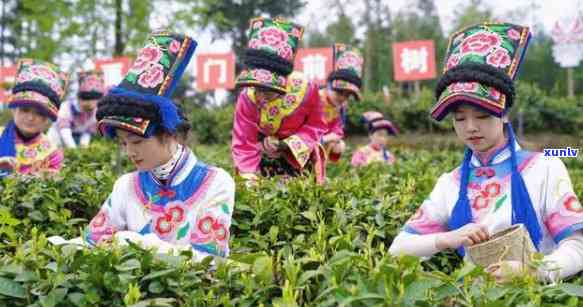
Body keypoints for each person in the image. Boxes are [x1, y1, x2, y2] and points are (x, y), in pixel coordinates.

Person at [389, 23, 583, 283]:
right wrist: (446, 238)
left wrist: (533, 271)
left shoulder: (545, 166)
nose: (470, 127)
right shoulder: (451, 183)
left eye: (482, 115)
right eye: (459, 119)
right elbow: (398, 249)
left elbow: (578, 245)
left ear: (504, 114)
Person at [85, 31, 235, 260]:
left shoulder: (216, 182)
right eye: (123, 143)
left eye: (136, 141)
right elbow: (92, 242)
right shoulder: (126, 185)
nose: (130, 152)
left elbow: (210, 261)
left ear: (169, 134)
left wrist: (136, 243)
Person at [0, 59, 67, 177]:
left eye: (40, 113)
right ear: (14, 110)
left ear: (47, 119)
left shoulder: (52, 153)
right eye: (24, 110)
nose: (30, 118)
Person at [320, 44, 364, 163]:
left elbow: (338, 129)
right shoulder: (315, 98)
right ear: (330, 86)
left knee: (340, 146)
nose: (343, 98)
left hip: (324, 150)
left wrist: (334, 138)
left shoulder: (341, 108)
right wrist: (324, 139)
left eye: (348, 95)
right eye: (339, 92)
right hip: (302, 146)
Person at [51, 70, 104, 148]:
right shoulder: (67, 107)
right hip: (58, 138)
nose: (91, 104)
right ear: (80, 99)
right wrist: (73, 149)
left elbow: (87, 132)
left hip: (78, 136)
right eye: (88, 99)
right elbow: (65, 131)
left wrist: (83, 147)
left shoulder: (94, 111)